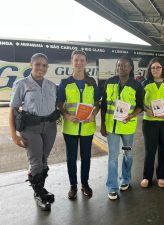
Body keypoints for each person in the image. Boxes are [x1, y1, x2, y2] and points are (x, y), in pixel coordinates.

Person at [9, 53, 59, 211]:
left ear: (47, 67)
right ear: (31, 65)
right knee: (36, 162)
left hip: (50, 127)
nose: (41, 68)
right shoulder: (21, 84)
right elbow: (13, 110)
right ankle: (38, 194)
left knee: (43, 160)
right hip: (30, 128)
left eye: (44, 65)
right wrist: (14, 135)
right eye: (37, 64)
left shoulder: (52, 85)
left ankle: (40, 189)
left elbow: (58, 106)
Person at [57, 50, 100, 200]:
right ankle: (73, 186)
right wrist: (67, 115)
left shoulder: (92, 82)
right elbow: (59, 104)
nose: (79, 63)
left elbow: (97, 103)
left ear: (85, 63)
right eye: (76, 60)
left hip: (87, 127)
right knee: (71, 158)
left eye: (82, 60)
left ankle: (85, 184)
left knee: (86, 157)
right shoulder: (65, 83)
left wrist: (93, 114)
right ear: (71, 62)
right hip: (70, 128)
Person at [100, 56, 143, 200]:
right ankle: (112, 186)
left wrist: (131, 116)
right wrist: (103, 125)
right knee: (112, 157)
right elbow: (104, 106)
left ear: (130, 68)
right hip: (112, 127)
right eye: (119, 65)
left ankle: (125, 179)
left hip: (127, 128)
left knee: (128, 154)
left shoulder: (136, 85)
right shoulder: (109, 82)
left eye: (124, 65)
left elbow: (140, 106)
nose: (121, 68)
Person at [140, 58, 164, 188]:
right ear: (150, 70)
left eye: (158, 67)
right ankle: (147, 177)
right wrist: (147, 110)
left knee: (163, 150)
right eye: (153, 68)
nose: (155, 70)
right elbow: (140, 102)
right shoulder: (145, 84)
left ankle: (161, 176)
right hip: (150, 122)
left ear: (163, 69)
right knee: (149, 151)